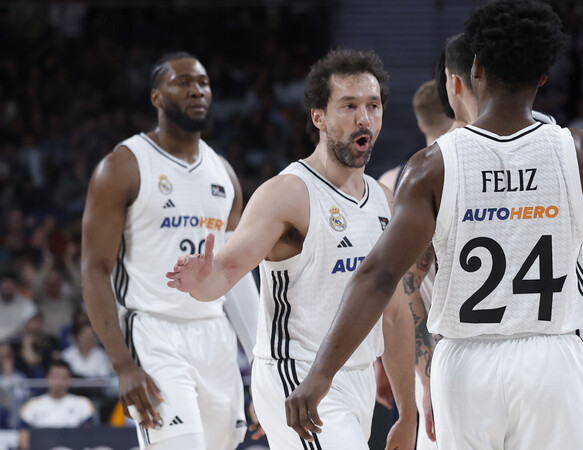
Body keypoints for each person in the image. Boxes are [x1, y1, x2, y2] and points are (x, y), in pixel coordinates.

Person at [284, 0, 583, 448]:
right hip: (552, 361)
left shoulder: (431, 167)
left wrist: (320, 374)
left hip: (466, 367)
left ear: (476, 68)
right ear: (544, 76)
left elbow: (378, 276)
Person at [166, 48, 416, 450]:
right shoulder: (288, 193)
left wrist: (407, 412)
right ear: (319, 116)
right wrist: (201, 280)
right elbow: (226, 271)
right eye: (348, 106)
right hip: (297, 373)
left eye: (373, 106)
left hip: (357, 379)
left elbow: (396, 313)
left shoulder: (384, 201)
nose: (364, 117)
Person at [427, 31, 583, 449]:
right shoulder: (467, 149)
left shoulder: (533, 136)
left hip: (578, 316)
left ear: (461, 81)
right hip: (522, 330)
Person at [82, 52, 259, 449]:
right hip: (153, 332)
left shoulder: (224, 174)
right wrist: (122, 365)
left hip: (215, 337)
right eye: (182, 82)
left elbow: (235, 275)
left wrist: (262, 367)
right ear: (156, 97)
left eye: (203, 82)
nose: (196, 90)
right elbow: (94, 270)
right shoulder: (123, 166)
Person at [376, 79, 453, 449]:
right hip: (450, 343)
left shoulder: (387, 184)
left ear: (420, 122)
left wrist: (382, 360)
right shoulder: (456, 173)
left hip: (408, 347)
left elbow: (382, 282)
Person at [17, 361, 95, 449]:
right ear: (47, 378)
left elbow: (88, 436)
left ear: (70, 380)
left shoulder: (83, 403)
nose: (59, 382)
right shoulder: (32, 405)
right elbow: (23, 439)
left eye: (64, 378)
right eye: (55, 377)